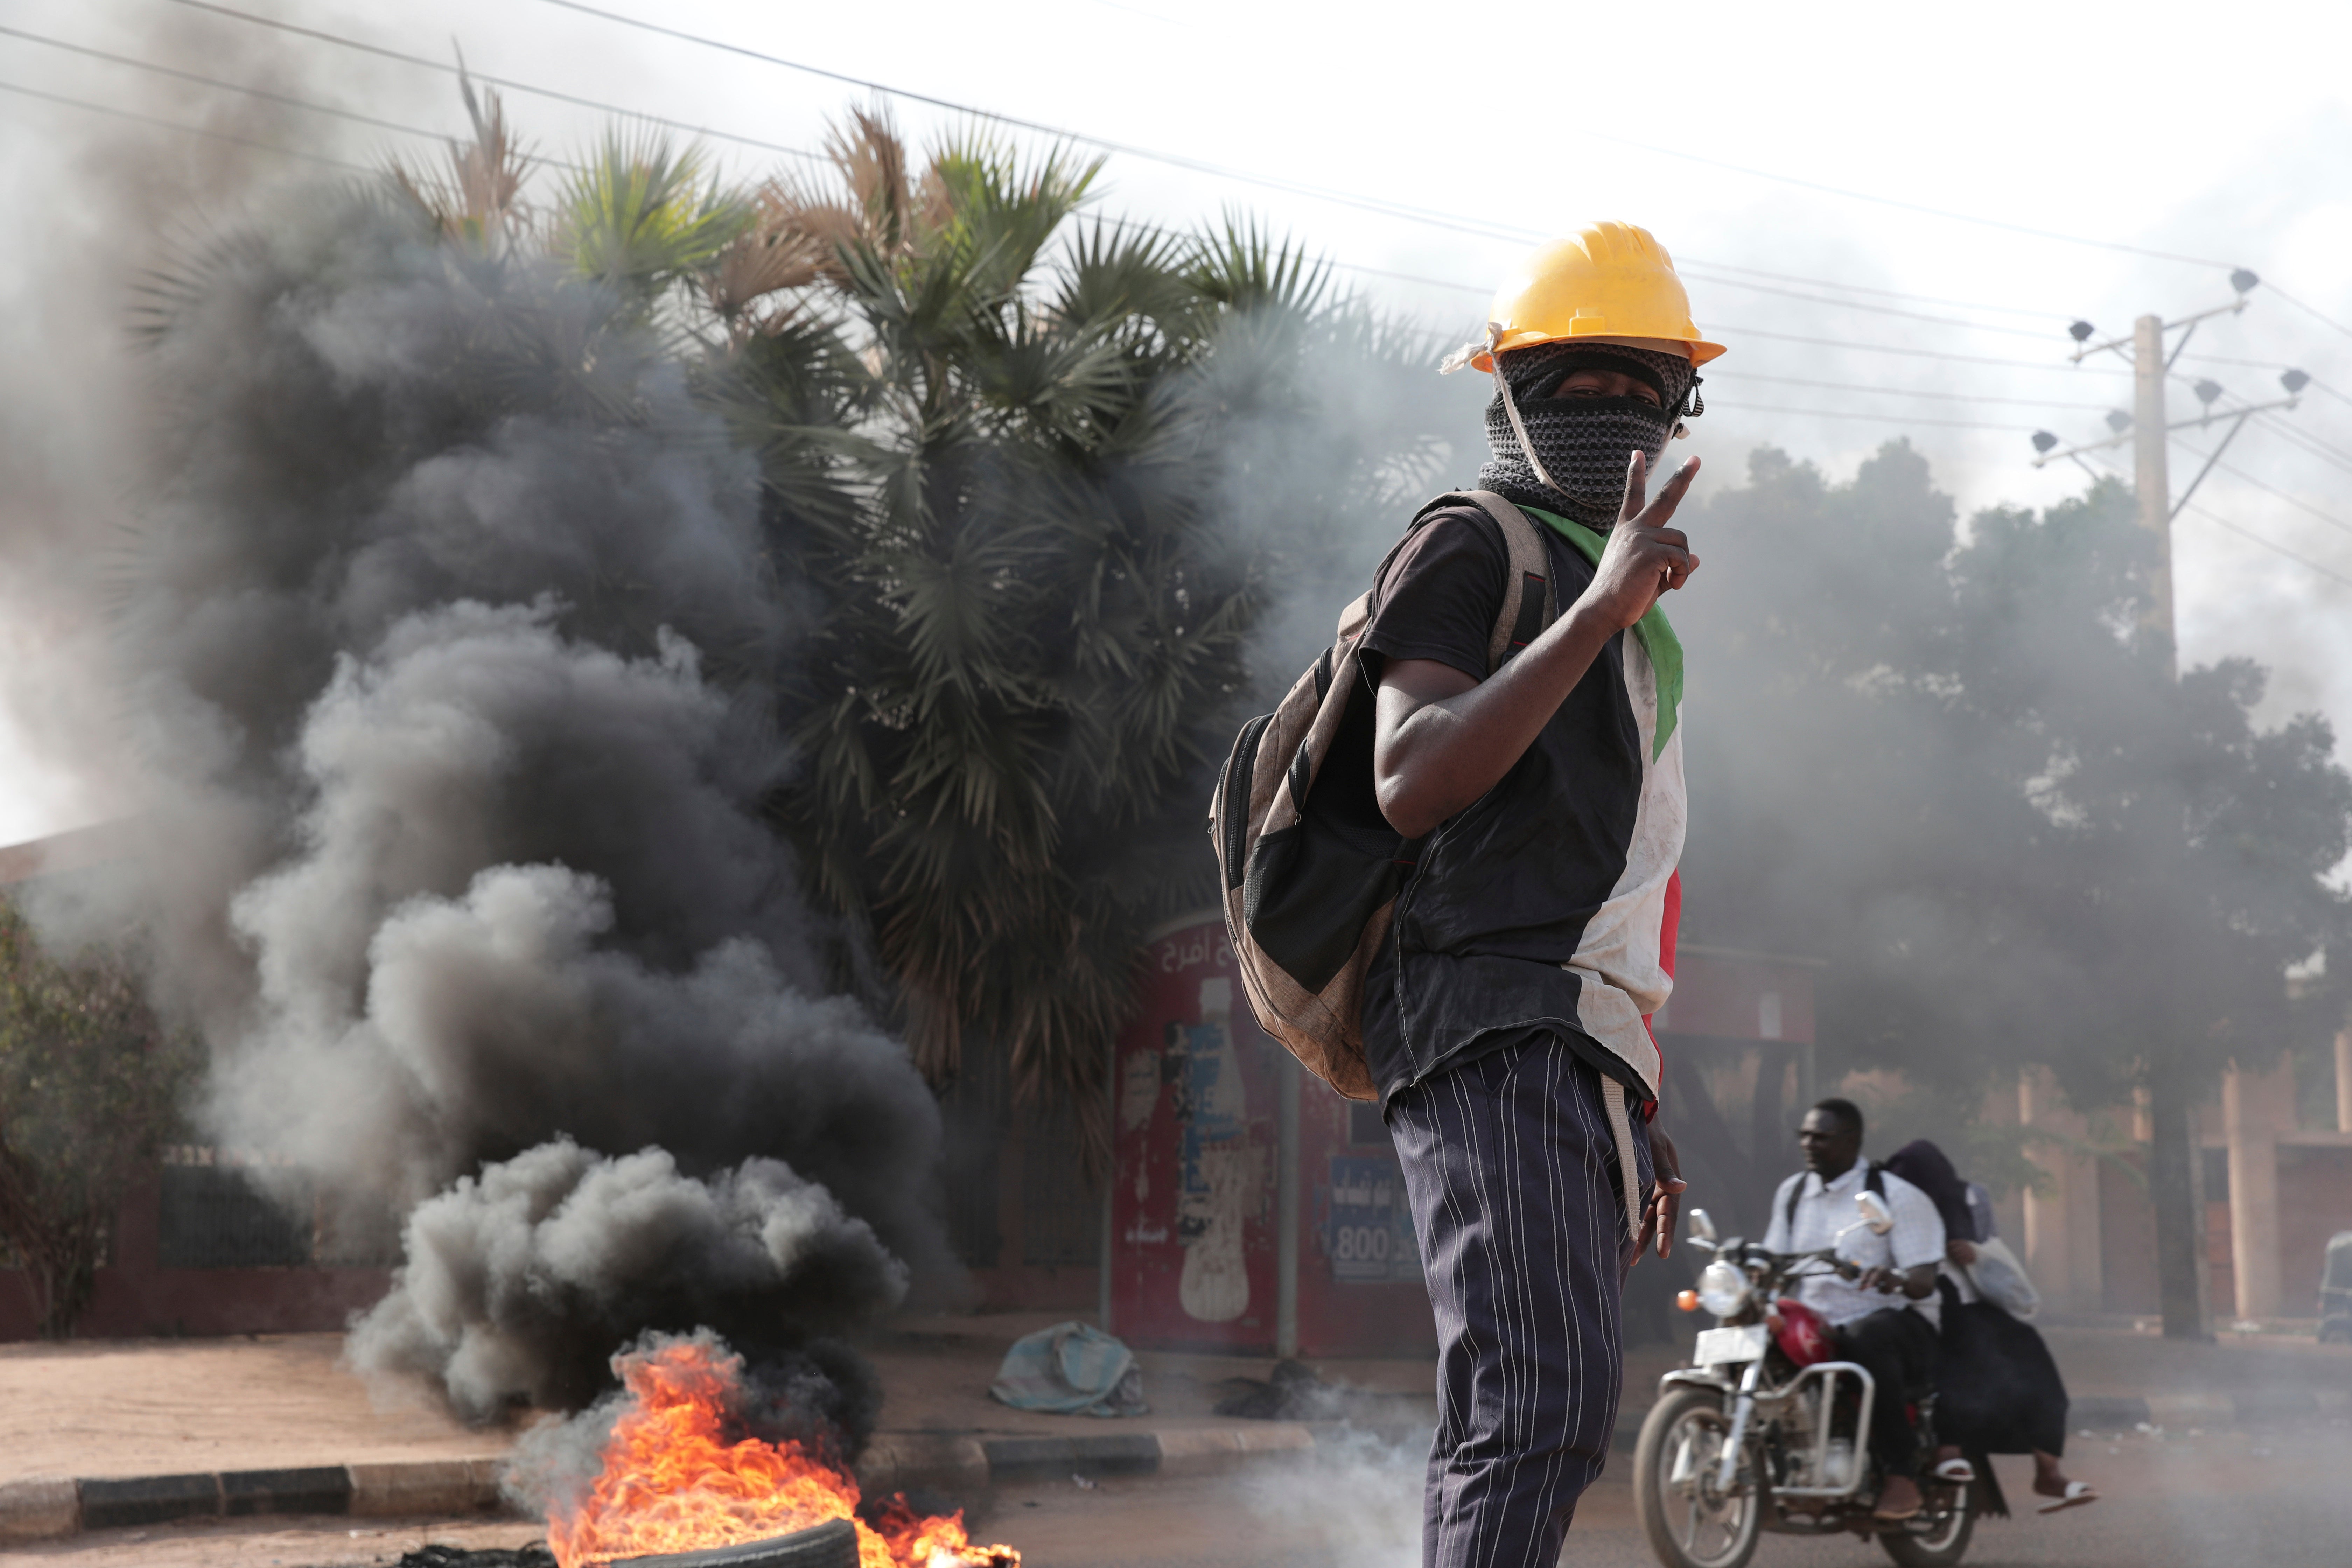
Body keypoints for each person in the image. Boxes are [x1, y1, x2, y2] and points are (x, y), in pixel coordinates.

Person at [1362, 221, 1718, 1568]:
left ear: (1680, 404)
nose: (1613, 408)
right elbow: (1407, 778)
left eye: (1641, 382)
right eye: (1576, 380)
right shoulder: (1474, 542)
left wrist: (1632, 1081)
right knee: (1532, 1412)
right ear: (1504, 390)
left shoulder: (1626, 609)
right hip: (1488, 1020)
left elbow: (1614, 887)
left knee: (1554, 1414)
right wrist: (1594, 612)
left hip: (1569, 1040)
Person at [1881, 1139, 2098, 1515]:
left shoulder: (1969, 1198)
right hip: (1919, 1306)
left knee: (2032, 1357)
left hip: (1972, 1301)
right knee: (1961, 1356)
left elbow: (1991, 1245)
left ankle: (2049, 1470)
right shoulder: (1887, 1201)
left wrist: (1974, 1251)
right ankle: (1948, 1451)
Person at [1761, 1098, 1947, 1521]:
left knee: (1866, 1337)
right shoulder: (1792, 1193)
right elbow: (1775, 1263)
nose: (1809, 1144)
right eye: (1805, 1135)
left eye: (1822, 1137)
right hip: (1820, 1320)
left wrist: (1893, 1277)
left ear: (1852, 1140)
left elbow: (1923, 1281)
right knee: (1756, 1331)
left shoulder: (1895, 1196)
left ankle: (1902, 1476)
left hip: (1896, 1319)